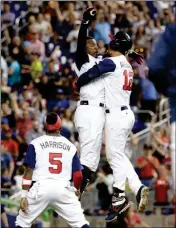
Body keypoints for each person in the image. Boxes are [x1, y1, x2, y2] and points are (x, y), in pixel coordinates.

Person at [75, 30, 149, 221]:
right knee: (117, 155)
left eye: (113, 42)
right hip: (124, 112)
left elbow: (91, 73)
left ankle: (119, 196)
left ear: (116, 46)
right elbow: (109, 57)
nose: (109, 44)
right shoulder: (125, 63)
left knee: (114, 156)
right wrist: (132, 52)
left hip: (116, 115)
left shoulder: (111, 62)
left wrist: (78, 83)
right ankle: (135, 188)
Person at [15, 112, 90, 228]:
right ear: (60, 127)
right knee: (80, 223)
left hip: (40, 188)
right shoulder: (70, 146)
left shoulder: (35, 143)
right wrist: (77, 189)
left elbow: (28, 171)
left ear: (45, 126)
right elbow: (78, 175)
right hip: (63, 189)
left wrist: (24, 195)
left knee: (22, 222)